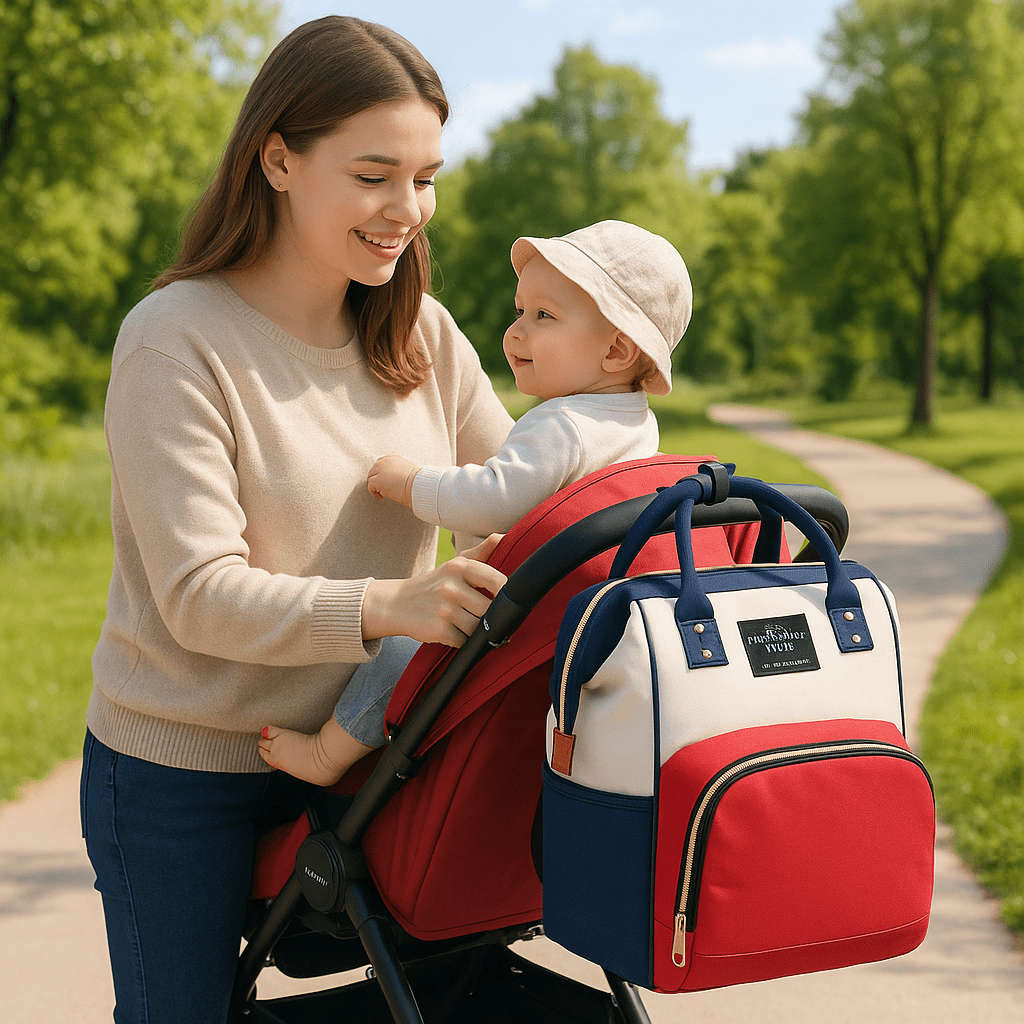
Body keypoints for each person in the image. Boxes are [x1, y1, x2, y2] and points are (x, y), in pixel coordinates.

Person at [79, 16, 514, 1024]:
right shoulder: (175, 341)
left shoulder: (421, 332)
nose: (408, 209)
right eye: (375, 175)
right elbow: (196, 597)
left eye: (426, 177)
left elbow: (518, 499)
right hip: (182, 769)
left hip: (368, 757)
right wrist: (392, 604)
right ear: (277, 159)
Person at [258, 219, 693, 787]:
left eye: (543, 316)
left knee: (403, 649)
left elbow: (492, 497)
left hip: (520, 610)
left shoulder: (562, 424)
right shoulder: (635, 422)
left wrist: (412, 482)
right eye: (520, 312)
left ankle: (327, 753)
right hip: (572, 612)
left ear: (615, 349)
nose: (515, 333)